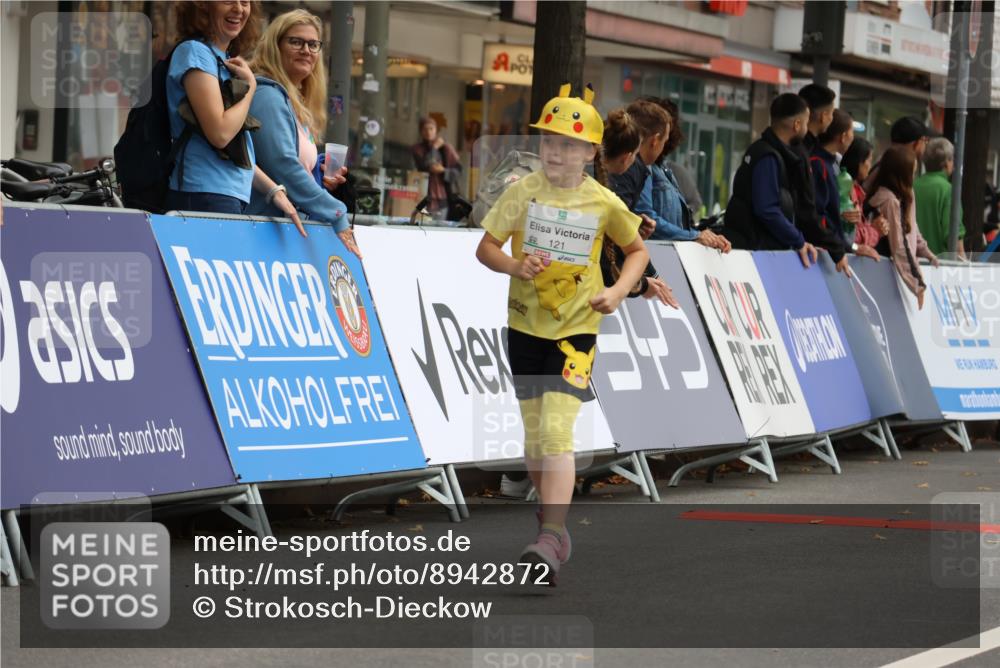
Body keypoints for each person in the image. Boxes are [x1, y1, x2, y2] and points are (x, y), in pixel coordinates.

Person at [475, 84, 649, 585]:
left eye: (571, 144)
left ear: (591, 152)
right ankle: (550, 521)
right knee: (533, 441)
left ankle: (551, 535)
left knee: (556, 431)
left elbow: (636, 250)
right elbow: (486, 247)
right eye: (550, 141)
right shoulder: (522, 191)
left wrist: (617, 292)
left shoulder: (602, 200)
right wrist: (515, 264)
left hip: (577, 332)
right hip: (525, 327)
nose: (558, 151)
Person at [166, 1, 299, 222]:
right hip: (203, 193)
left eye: (245, 2)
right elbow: (220, 133)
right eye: (228, 0)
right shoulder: (195, 52)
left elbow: (235, 150)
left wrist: (272, 190)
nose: (239, 9)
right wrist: (250, 89)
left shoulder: (220, 58)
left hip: (224, 195)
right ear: (203, 5)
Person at [247, 9, 360, 256]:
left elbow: (289, 163)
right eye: (296, 42)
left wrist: (318, 173)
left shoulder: (291, 101)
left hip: (280, 231)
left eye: (313, 44)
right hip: (261, 231)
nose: (306, 50)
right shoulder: (267, 96)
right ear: (275, 47)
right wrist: (336, 210)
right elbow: (282, 165)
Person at [610, 100, 727, 250]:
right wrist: (694, 236)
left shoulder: (649, 168)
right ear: (654, 141)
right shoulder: (634, 168)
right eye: (664, 141)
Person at [722, 93, 820, 269]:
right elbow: (767, 209)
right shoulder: (768, 157)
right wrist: (797, 240)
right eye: (805, 123)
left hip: (749, 245)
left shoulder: (762, 150)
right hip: (754, 252)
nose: (806, 129)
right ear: (797, 125)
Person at [593, 108, 678, 306]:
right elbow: (610, 256)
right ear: (627, 158)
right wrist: (640, 285)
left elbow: (632, 248)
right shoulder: (609, 197)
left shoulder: (608, 198)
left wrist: (629, 223)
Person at [866, 146, 939, 308]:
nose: (914, 177)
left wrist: (925, 251)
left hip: (892, 274)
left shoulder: (905, 195)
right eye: (912, 172)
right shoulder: (890, 202)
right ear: (902, 174)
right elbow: (899, 245)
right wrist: (917, 283)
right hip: (882, 276)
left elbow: (912, 228)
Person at [812, 110, 880, 262]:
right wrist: (850, 247)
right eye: (851, 133)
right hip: (823, 255)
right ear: (843, 137)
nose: (853, 137)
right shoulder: (819, 165)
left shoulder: (832, 164)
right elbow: (820, 216)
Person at [795, 84, 849, 272]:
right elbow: (810, 211)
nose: (832, 118)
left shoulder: (809, 150)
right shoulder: (808, 156)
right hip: (799, 251)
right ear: (823, 116)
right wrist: (837, 249)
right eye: (832, 113)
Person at [914, 137, 965, 259]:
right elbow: (954, 236)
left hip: (912, 265)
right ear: (947, 162)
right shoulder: (949, 191)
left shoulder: (912, 186)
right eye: (952, 159)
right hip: (940, 268)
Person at [839, 136, 888, 252]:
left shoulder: (855, 189)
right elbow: (851, 237)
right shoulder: (845, 188)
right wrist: (875, 232)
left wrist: (873, 228)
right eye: (869, 160)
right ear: (859, 162)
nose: (870, 166)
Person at [411, 116, 462, 220]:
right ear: (421, 131)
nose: (428, 132)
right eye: (425, 129)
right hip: (421, 198)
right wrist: (434, 148)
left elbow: (458, 171)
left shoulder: (446, 148)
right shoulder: (416, 149)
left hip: (442, 200)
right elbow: (426, 165)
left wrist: (444, 170)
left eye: (431, 128)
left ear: (436, 130)